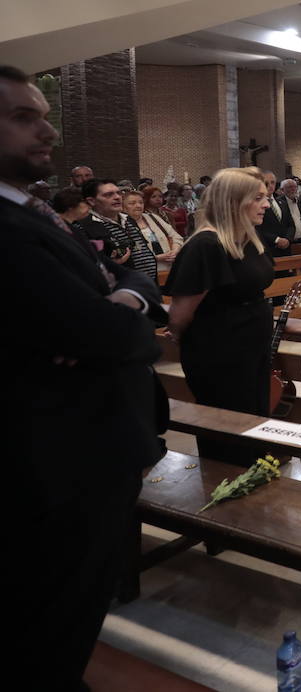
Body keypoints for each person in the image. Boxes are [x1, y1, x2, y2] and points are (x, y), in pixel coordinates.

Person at [2, 66, 166, 690]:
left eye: (44, 114)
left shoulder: (33, 212)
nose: (47, 131)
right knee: (46, 633)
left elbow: (127, 293)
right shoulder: (8, 227)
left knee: (65, 627)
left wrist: (117, 300)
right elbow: (112, 335)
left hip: (84, 456)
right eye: (22, 117)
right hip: (57, 469)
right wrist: (117, 313)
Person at [164, 167, 275, 463]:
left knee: (254, 420)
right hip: (220, 351)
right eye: (259, 198)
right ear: (235, 201)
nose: (266, 204)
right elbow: (180, 313)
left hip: (251, 346)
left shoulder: (248, 238)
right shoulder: (205, 245)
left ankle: (255, 480)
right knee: (229, 428)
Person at [79, 178, 158, 279]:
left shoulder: (129, 220)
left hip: (148, 286)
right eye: (108, 195)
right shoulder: (84, 227)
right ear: (91, 201)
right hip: (119, 290)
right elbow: (85, 266)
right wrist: (109, 264)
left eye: (118, 193)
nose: (117, 197)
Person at [128, 187, 182, 268]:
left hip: (168, 267)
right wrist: (156, 258)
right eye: (132, 203)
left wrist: (175, 251)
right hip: (146, 271)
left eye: (141, 202)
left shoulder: (152, 217)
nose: (138, 205)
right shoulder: (123, 224)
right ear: (123, 206)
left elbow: (175, 236)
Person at [255, 170, 294, 257]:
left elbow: (291, 224)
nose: (270, 186)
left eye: (273, 182)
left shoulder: (282, 201)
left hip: (286, 250)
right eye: (266, 183)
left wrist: (287, 239)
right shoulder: (256, 204)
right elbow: (257, 228)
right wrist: (276, 239)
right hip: (268, 248)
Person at [277, 176, 301, 244]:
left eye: (295, 187)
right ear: (282, 190)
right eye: (289, 187)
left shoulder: (299, 202)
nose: (293, 189)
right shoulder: (278, 203)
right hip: (286, 241)